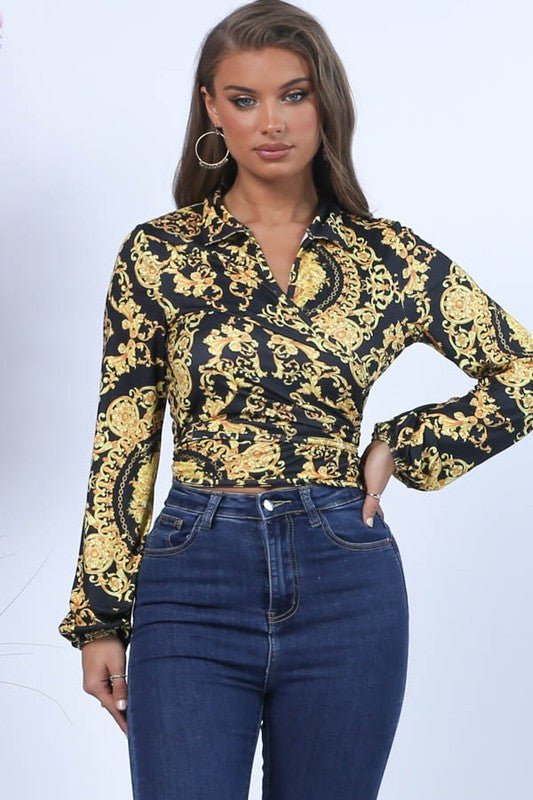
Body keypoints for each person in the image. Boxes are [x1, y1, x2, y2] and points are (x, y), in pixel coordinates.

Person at [58, 1, 533, 797]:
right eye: (243, 100)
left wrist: (403, 443)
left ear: (325, 103)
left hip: (344, 576)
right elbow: (124, 438)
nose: (270, 122)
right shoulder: (158, 253)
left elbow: (523, 368)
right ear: (211, 108)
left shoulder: (387, 256)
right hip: (192, 577)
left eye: (294, 94)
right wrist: (100, 618)